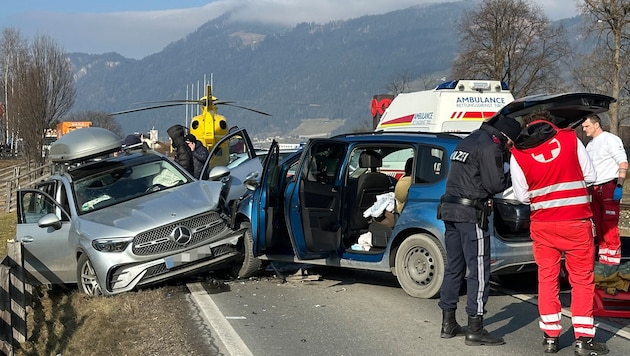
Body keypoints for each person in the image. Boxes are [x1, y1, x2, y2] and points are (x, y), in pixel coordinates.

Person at [511, 110, 609, 355]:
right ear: (550, 123)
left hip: (543, 225)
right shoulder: (569, 138)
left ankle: (551, 337)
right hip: (575, 223)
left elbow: (522, 196)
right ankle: (583, 340)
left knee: (547, 277)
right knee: (582, 280)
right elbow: (591, 175)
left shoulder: (518, 153)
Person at [437, 116, 521, 346]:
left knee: (454, 267)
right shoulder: (490, 145)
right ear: (506, 137)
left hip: (449, 210)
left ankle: (448, 322)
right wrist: (515, 172)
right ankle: (475, 328)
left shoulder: (468, 140)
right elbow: (494, 185)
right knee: (479, 270)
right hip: (470, 213)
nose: (510, 148)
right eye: (511, 144)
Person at [582, 114, 628, 265]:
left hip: (609, 187)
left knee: (609, 227)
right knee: (599, 227)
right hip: (594, 189)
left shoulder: (610, 140)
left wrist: (619, 186)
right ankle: (604, 263)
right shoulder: (590, 145)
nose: (584, 129)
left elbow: (622, 163)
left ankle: (613, 266)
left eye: (586, 126)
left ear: (596, 125)